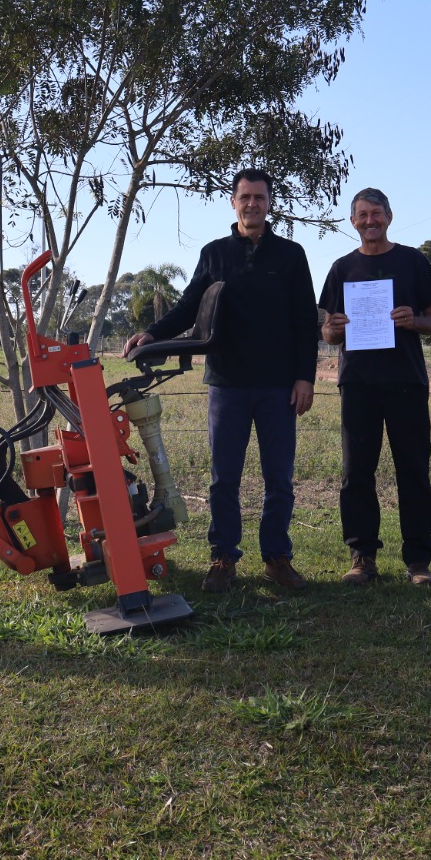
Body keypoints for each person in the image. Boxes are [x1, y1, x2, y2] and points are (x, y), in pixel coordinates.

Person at [124, 167, 317, 593]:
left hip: (278, 386)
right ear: (233, 202)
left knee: (279, 477)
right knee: (223, 477)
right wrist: (153, 333)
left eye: (260, 198)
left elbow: (306, 321)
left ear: (270, 203)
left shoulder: (291, 254)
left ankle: (277, 558)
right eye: (245, 197)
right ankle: (223, 557)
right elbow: (189, 305)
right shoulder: (214, 253)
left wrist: (305, 377)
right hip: (227, 384)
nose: (252, 204)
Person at [318, 188, 431, 587]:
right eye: (362, 215)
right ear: (352, 220)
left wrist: (415, 322)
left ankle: (418, 560)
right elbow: (327, 330)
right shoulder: (341, 269)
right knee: (356, 473)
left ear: (390, 216)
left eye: (376, 213)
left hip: (406, 381)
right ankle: (362, 557)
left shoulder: (412, 262)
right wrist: (333, 330)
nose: (369, 221)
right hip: (357, 384)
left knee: (413, 471)